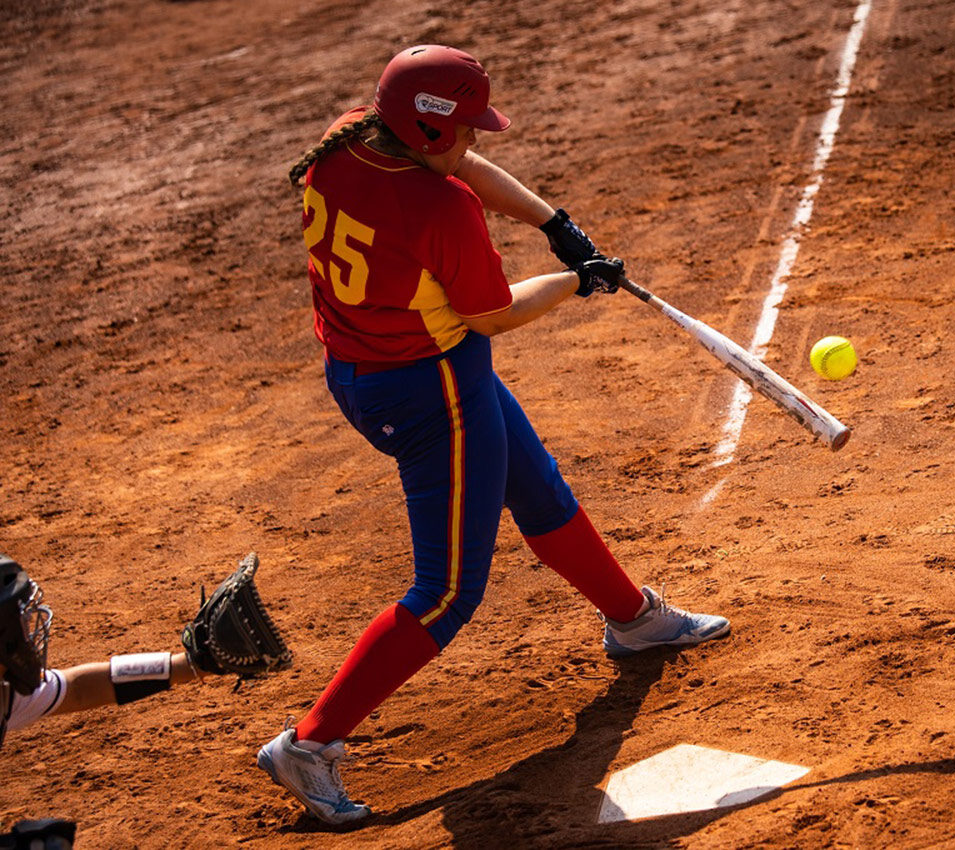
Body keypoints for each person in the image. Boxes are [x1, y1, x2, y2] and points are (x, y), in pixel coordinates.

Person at [256, 44, 731, 825]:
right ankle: (309, 743)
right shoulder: (436, 210)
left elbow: (459, 168)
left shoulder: (353, 138)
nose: (477, 140)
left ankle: (633, 619)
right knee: (446, 591)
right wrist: (579, 280)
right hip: (427, 391)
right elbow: (494, 314)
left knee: (534, 484)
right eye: (468, 127)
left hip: (379, 368)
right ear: (429, 129)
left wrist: (557, 225)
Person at [0, 551, 289, 749]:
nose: (30, 632)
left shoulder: (6, 694)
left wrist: (192, 664)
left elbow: (77, 689)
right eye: (20, 623)